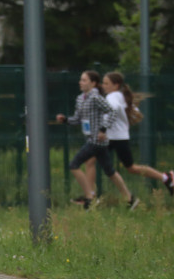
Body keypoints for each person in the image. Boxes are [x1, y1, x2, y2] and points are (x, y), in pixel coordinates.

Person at [55, 70, 138, 209]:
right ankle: (129, 199)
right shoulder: (80, 99)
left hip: (96, 141)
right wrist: (65, 120)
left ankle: (90, 198)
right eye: (80, 80)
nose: (80, 83)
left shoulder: (96, 98)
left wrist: (103, 129)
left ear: (93, 83)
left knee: (74, 165)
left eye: (84, 80)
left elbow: (111, 112)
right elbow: (77, 119)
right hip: (93, 140)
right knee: (109, 171)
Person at [91, 71, 174, 196]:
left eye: (106, 83)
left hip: (114, 138)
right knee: (130, 168)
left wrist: (103, 129)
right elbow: (133, 110)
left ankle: (90, 195)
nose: (103, 85)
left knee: (92, 161)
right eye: (103, 83)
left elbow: (112, 110)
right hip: (118, 137)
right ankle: (166, 178)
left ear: (116, 85)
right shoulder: (120, 96)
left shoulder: (112, 97)